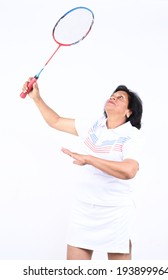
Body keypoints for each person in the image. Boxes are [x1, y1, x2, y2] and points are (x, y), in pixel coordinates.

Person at [22, 79, 143, 260]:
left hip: (115, 213)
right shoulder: (94, 126)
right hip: (83, 210)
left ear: (129, 111)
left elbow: (129, 171)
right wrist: (36, 98)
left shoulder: (131, 136)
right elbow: (55, 121)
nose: (113, 98)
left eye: (120, 98)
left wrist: (90, 159)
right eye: (112, 95)